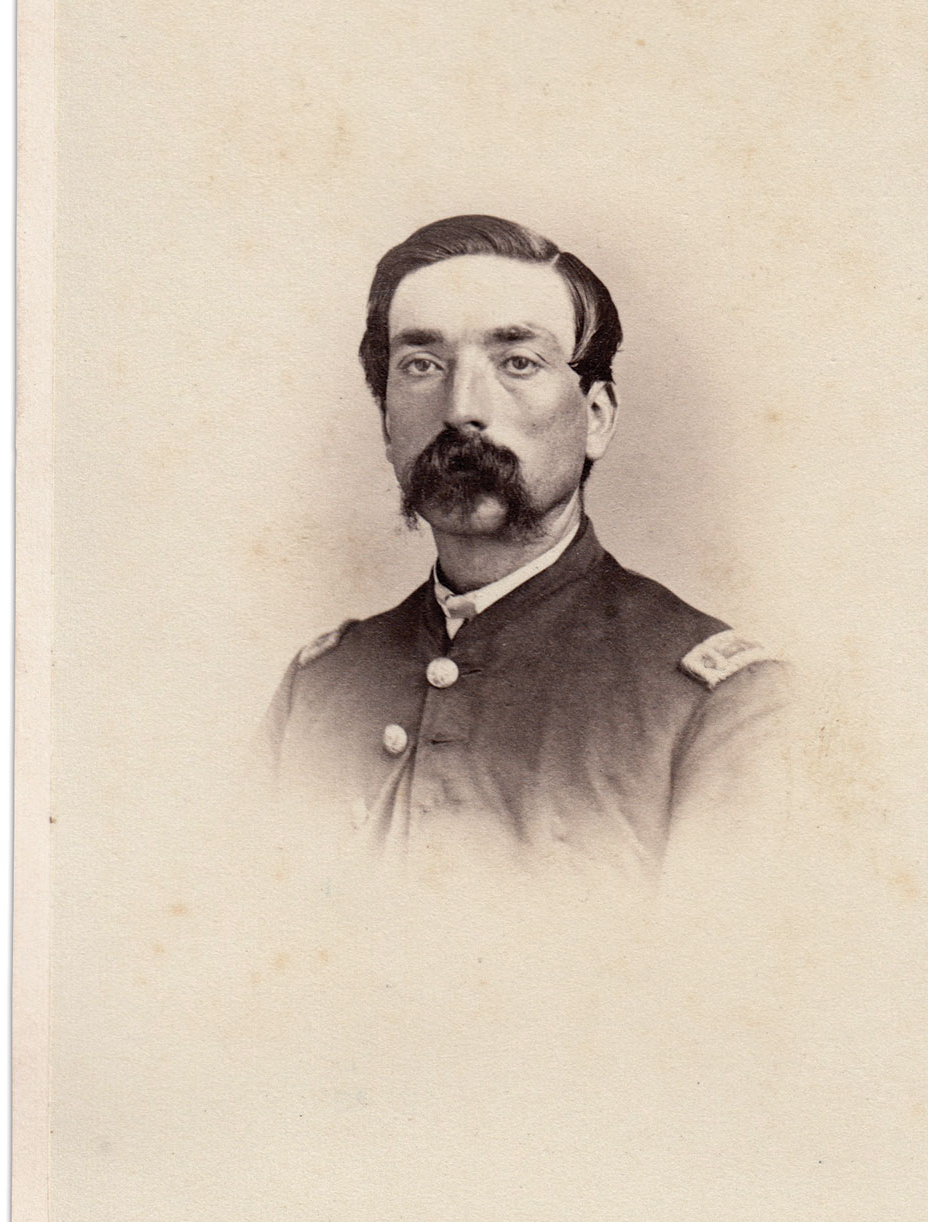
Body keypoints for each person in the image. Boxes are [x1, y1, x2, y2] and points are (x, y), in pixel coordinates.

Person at [263, 214, 788, 880]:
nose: (461, 407)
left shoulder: (721, 706)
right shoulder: (320, 686)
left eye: (518, 363)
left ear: (595, 418)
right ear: (388, 424)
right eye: (422, 365)